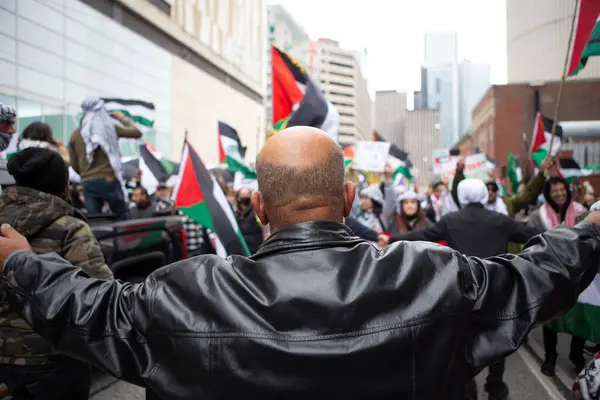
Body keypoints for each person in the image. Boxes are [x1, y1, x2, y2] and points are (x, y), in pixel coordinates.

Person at [1, 127, 600, 399]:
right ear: (346, 200)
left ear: (257, 205)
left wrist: (20, 262)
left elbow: (87, 310)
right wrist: (593, 228)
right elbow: (538, 277)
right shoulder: (430, 275)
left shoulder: (186, 291)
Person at [390, 179, 540, 400]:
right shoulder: (499, 220)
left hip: (463, 290)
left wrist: (391, 239)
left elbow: (421, 237)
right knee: (498, 336)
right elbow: (532, 235)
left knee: (463, 342)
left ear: (461, 195)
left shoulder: (451, 220)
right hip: (495, 289)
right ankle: (496, 384)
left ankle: (468, 387)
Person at [0, 147, 113, 399]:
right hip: (56, 356)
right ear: (61, 183)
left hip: (6, 355)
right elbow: (99, 293)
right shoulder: (69, 228)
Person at [529, 176, 588, 376]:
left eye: (562, 189)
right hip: (551, 274)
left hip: (579, 273)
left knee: (579, 314)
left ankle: (576, 353)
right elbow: (532, 242)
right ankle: (550, 356)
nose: (560, 194)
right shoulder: (539, 216)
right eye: (555, 191)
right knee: (552, 317)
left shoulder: (581, 212)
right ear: (548, 193)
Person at [68, 98, 142, 219]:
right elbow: (137, 132)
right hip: (108, 179)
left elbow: (74, 164)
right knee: (121, 217)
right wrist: (121, 118)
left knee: (95, 219)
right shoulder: (108, 129)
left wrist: (86, 175)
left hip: (88, 182)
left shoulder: (75, 134)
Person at [235, 187, 264, 254]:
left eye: (247, 194)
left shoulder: (256, 212)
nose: (245, 197)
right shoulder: (235, 214)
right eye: (243, 195)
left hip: (256, 250)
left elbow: (263, 227)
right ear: (238, 198)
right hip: (242, 251)